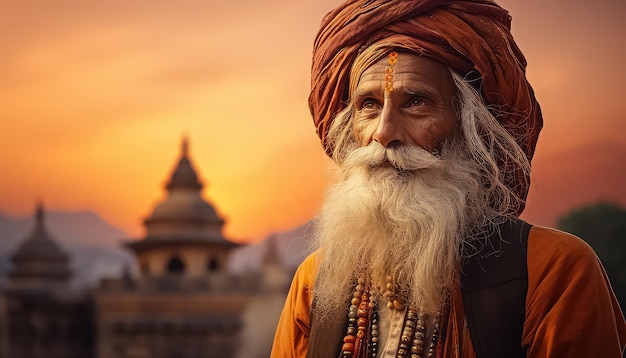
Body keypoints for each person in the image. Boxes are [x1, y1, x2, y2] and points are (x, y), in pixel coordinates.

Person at [271, 0, 626, 357]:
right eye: (369, 105)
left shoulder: (554, 270)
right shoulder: (314, 282)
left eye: (417, 102)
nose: (385, 132)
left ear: (471, 127)